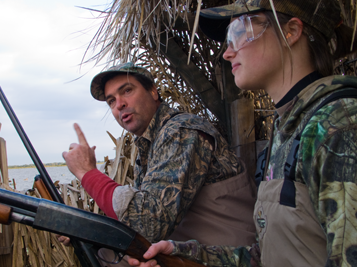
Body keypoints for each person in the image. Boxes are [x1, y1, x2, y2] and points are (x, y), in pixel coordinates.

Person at [127, 0, 357, 266]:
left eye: (239, 30)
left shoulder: (338, 125)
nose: (227, 52)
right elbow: (266, 257)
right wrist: (181, 255)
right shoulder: (286, 130)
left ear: (291, 31)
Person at [60, 62, 257, 265]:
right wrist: (87, 227)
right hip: (190, 251)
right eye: (111, 101)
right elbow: (136, 223)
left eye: (127, 91)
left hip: (232, 256)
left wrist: (88, 173)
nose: (119, 104)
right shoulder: (148, 145)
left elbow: (149, 223)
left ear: (153, 92)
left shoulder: (180, 131)